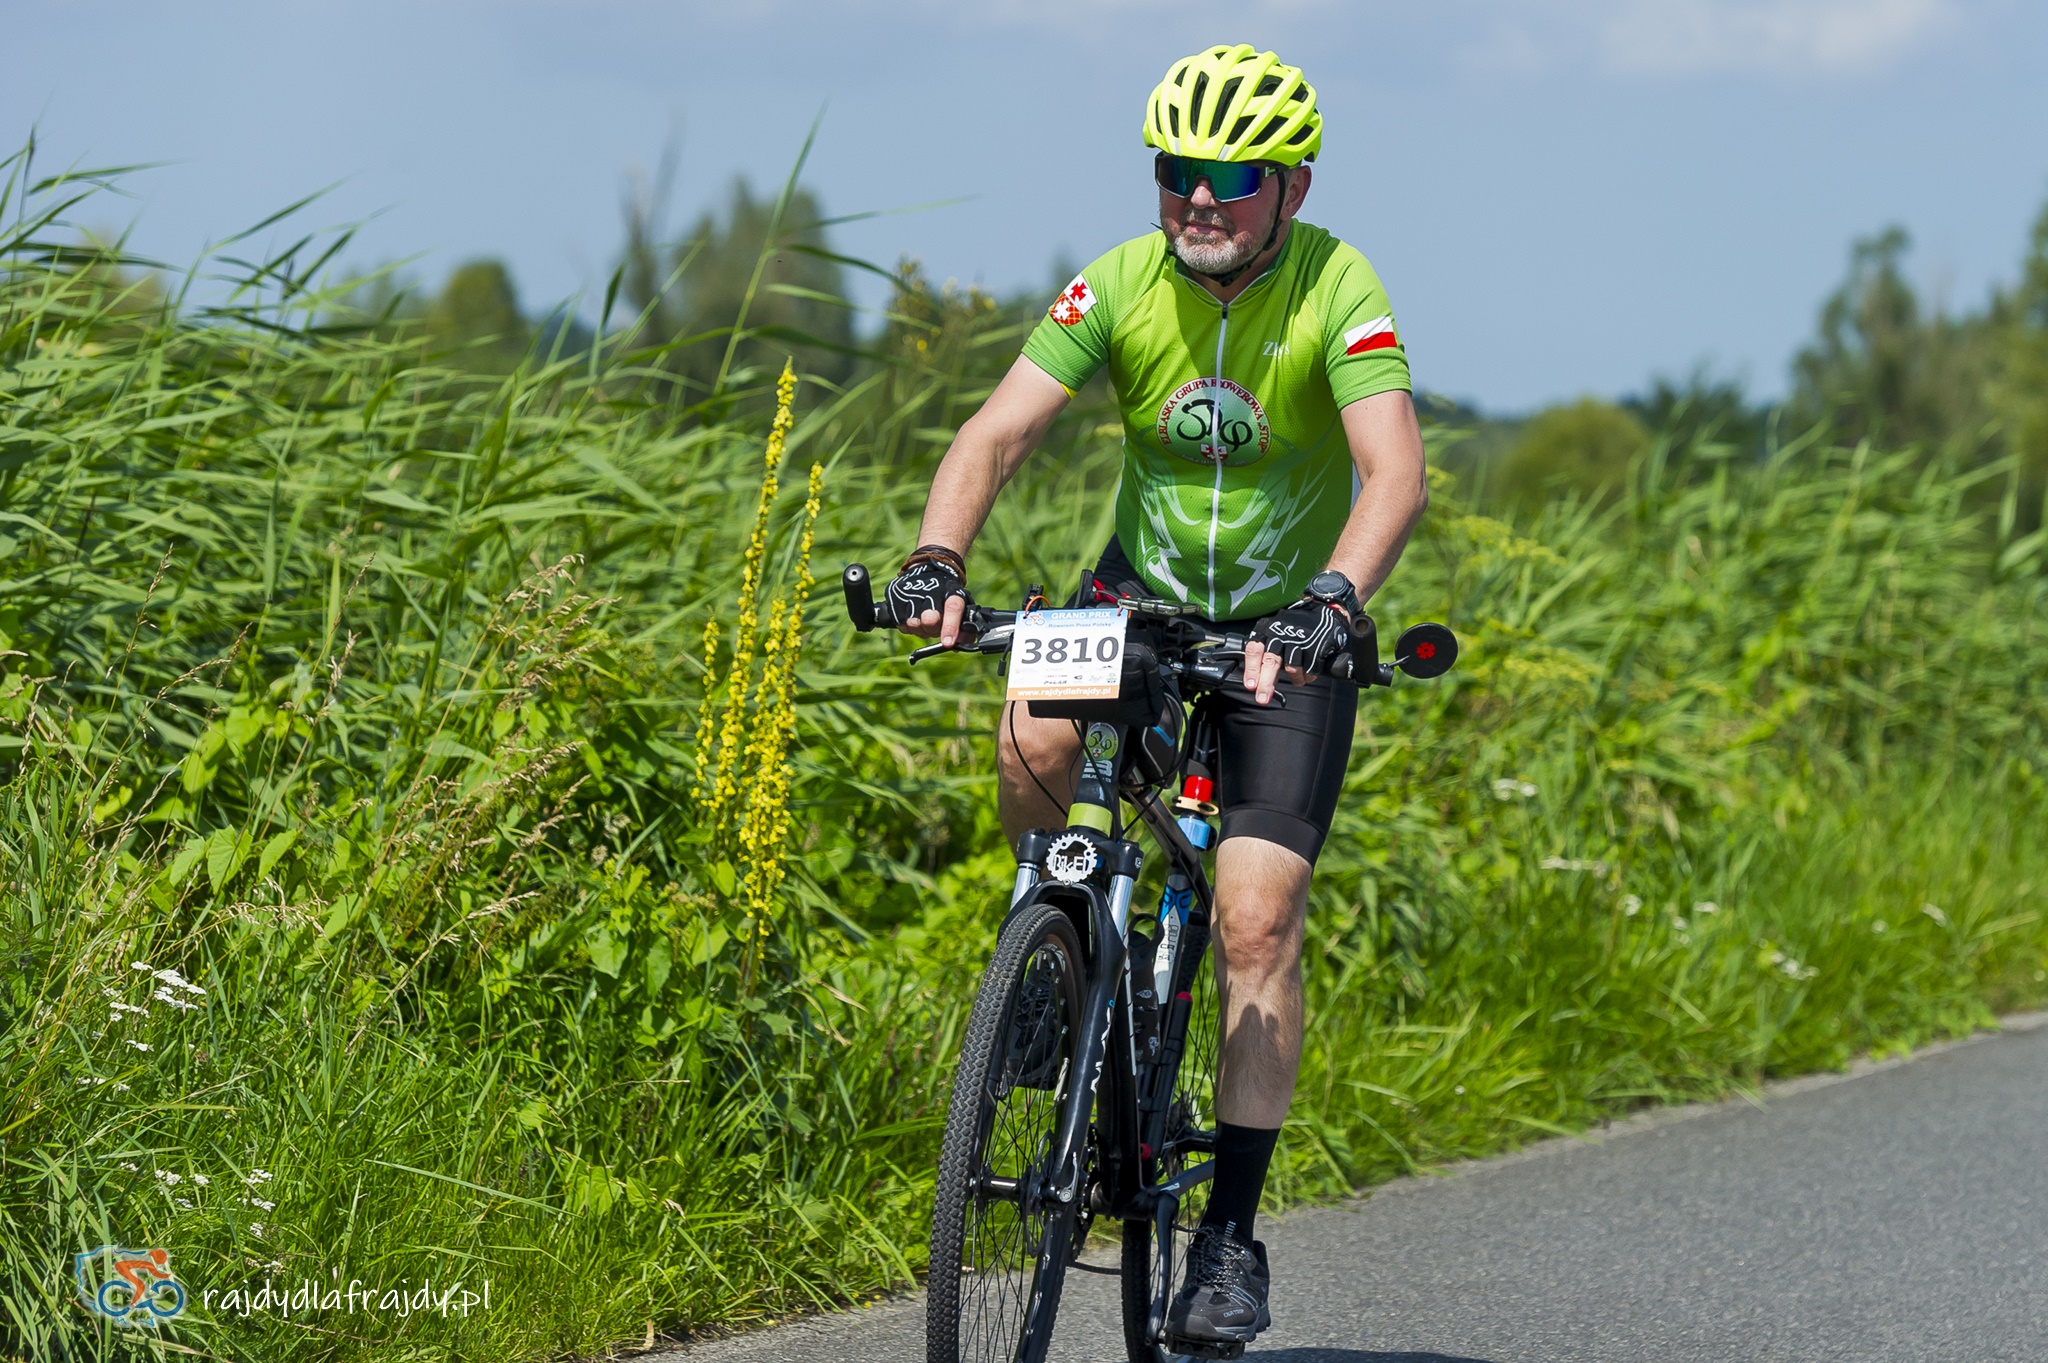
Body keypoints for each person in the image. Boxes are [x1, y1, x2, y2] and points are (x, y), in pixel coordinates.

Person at [892, 42, 1428, 1351]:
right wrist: (937, 560)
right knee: (1030, 729)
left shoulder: (1337, 286)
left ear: (1291, 187)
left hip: (1285, 632)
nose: (1199, 196)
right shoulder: (1121, 282)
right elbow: (999, 430)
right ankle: (1058, 961)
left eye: (1231, 176)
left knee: (1254, 916)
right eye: (1177, 168)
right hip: (1136, 598)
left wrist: (1335, 602)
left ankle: (1230, 1240)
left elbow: (1394, 473)